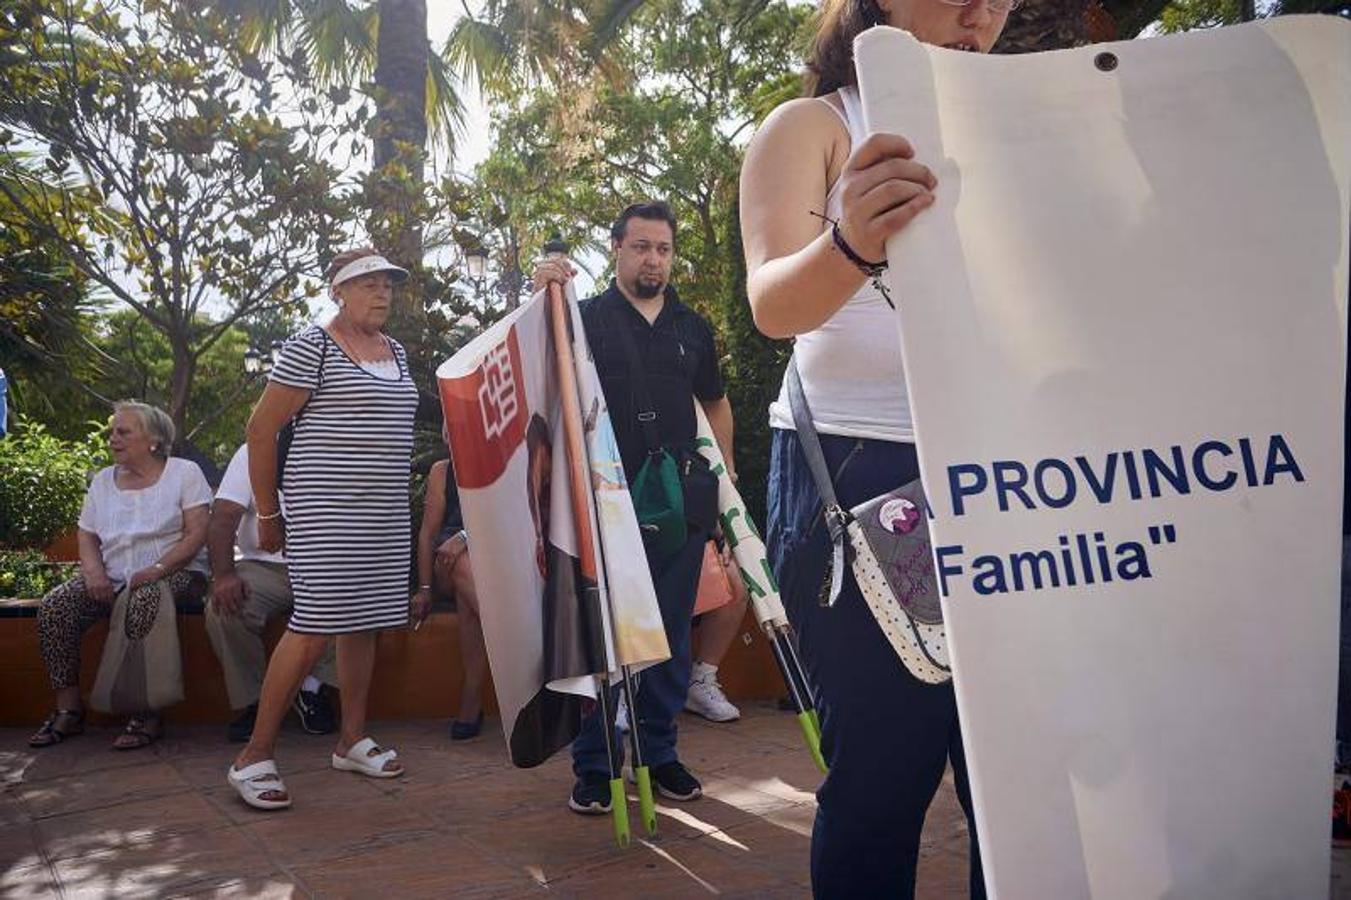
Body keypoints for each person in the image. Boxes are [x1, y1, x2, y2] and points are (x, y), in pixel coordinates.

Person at [739, 0, 1015, 895]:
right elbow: (773, 304)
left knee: (1021, 787)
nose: (983, 11)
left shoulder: (1019, 119)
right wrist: (851, 241)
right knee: (879, 786)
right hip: (860, 477)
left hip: (1015, 478)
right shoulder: (816, 123)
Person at [532, 200, 737, 815]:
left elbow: (717, 406)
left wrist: (722, 486)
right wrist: (542, 290)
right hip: (604, 502)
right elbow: (536, 374)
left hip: (682, 499)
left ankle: (659, 753)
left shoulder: (691, 328)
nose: (654, 259)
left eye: (664, 249)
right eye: (642, 246)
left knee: (671, 636)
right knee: (604, 637)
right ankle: (594, 766)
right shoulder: (581, 317)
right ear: (616, 248)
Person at [227, 247, 419, 811]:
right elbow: (260, 431)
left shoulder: (398, 353)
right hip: (325, 514)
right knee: (314, 626)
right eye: (367, 283)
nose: (381, 292)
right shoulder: (312, 346)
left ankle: (351, 738)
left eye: (388, 283)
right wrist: (268, 513)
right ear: (338, 290)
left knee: (365, 624)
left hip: (384, 516)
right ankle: (253, 756)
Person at [28, 401, 211, 750]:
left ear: (154, 440)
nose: (113, 438)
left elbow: (196, 534)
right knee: (55, 606)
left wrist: (158, 568)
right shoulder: (102, 482)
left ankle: (148, 711)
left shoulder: (184, 473)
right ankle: (69, 709)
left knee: (143, 598)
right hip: (112, 577)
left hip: (179, 573)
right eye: (113, 431)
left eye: (123, 432)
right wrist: (94, 573)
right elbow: (86, 534)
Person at [205, 443, 338, 743]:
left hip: (326, 564)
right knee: (225, 609)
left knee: (359, 600)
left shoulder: (341, 443)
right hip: (265, 568)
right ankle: (254, 702)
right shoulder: (254, 450)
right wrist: (224, 575)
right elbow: (224, 514)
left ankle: (311, 690)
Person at [413, 450, 489, 740]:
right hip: (447, 562)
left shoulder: (501, 463)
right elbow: (428, 534)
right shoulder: (442, 470)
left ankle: (471, 697)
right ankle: (515, 648)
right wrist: (424, 589)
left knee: (467, 597)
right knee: (459, 564)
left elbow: (512, 516)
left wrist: (467, 537)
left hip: (492, 562)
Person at [685, 538, 749, 723]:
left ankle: (701, 679)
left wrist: (726, 539)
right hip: (633, 535)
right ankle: (621, 688)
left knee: (733, 581)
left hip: (693, 534)